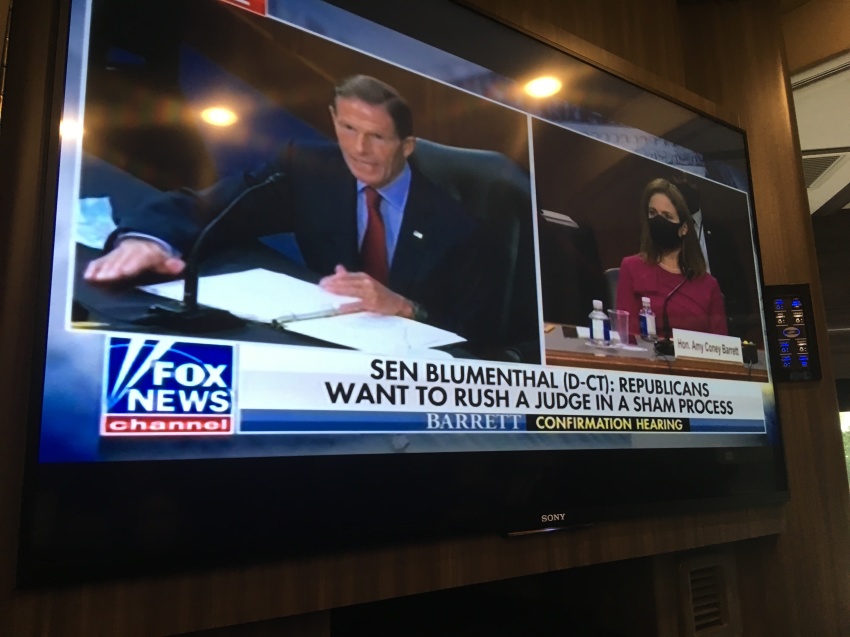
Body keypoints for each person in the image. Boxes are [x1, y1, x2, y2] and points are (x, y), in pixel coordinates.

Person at [84, 75, 501, 348]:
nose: (358, 150)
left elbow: (480, 337)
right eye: (348, 129)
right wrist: (148, 239)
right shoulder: (308, 168)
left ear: (407, 146)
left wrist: (407, 307)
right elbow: (215, 206)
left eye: (377, 137)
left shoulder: (460, 227)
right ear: (333, 119)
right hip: (324, 349)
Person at [616, 178, 727, 340]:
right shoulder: (632, 268)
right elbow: (627, 337)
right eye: (653, 213)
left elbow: (722, 347)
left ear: (684, 228)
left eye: (667, 216)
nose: (658, 221)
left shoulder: (708, 285)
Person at [670, 175, 754, 340]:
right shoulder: (667, 233)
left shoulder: (721, 234)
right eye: (680, 179)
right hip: (680, 324)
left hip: (722, 324)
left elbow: (741, 291)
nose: (685, 184)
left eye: (691, 181)